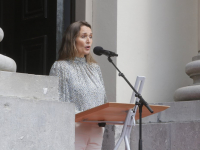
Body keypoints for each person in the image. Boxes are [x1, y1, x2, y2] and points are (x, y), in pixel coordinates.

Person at [49, 21, 107, 150]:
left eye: (90, 37)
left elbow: (103, 100)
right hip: (74, 129)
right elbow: (57, 101)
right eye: (83, 36)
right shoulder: (61, 67)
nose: (88, 41)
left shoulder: (95, 68)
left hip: (97, 130)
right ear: (72, 39)